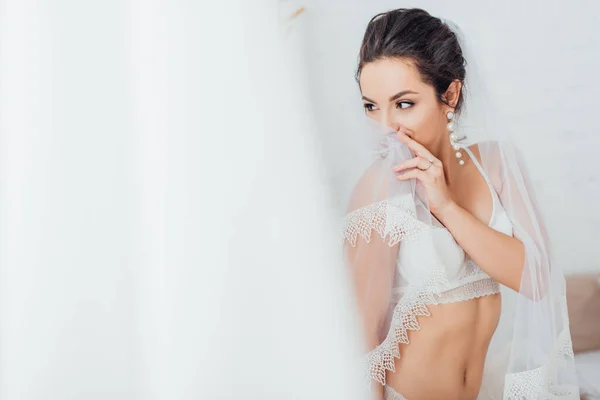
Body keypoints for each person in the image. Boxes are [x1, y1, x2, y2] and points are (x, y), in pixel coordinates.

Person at [341, 8, 580, 400]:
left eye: (403, 104)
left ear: (449, 94)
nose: (386, 126)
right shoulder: (378, 189)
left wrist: (447, 206)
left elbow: (537, 281)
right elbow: (361, 339)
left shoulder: (499, 164)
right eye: (371, 106)